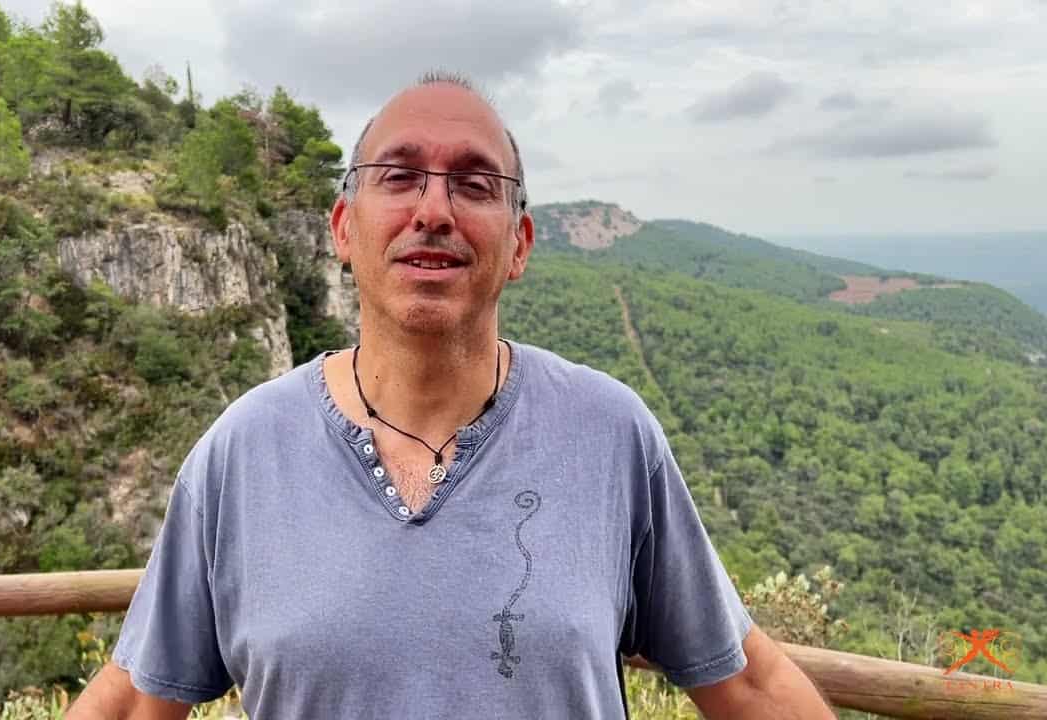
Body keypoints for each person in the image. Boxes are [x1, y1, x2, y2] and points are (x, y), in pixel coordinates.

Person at [67, 71, 835, 719]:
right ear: (343, 228)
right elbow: (136, 701)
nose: (433, 212)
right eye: (399, 176)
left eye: (475, 184)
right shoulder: (243, 451)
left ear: (519, 245)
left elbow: (746, 683)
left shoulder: (610, 435)